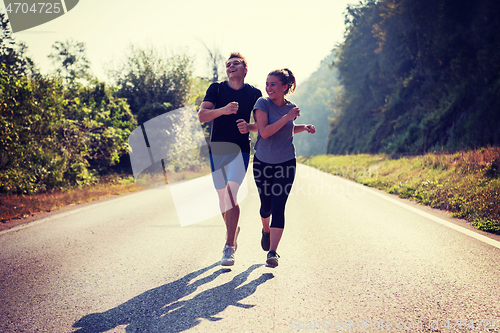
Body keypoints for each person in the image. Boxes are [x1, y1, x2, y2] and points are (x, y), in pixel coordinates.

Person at [198, 52, 262, 266]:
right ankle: (233, 231)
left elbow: (261, 124)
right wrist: (224, 110)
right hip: (217, 148)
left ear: (245, 69)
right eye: (228, 64)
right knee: (222, 198)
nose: (231, 66)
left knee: (229, 193)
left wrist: (249, 127)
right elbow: (202, 116)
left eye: (236, 64)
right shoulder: (216, 89)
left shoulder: (255, 93)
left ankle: (228, 247)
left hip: (241, 149)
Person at [252, 68, 316, 268]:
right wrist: (288, 118)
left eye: (273, 84)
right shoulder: (262, 104)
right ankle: (265, 229)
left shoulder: (291, 108)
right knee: (266, 206)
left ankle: (273, 252)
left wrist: (302, 127)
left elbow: (285, 130)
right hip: (263, 162)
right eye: (267, 83)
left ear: (285, 87)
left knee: (279, 206)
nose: (268, 87)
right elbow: (265, 132)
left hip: (286, 162)